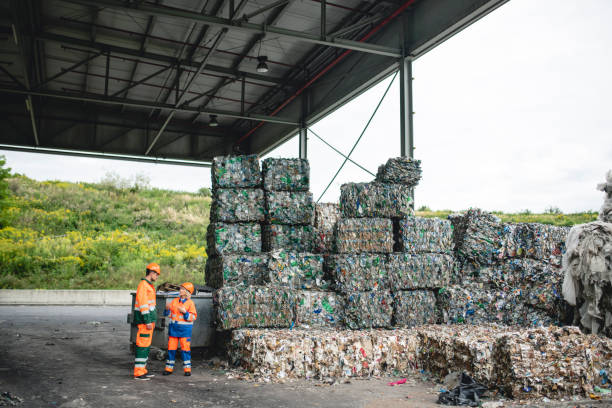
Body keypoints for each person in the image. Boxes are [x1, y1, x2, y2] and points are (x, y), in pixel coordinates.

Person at [133, 262, 160, 380]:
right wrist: (148, 321)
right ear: (151, 272)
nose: (157, 277)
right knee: (143, 346)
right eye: (157, 274)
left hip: (148, 321)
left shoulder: (148, 285)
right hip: (145, 322)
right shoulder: (144, 285)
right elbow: (144, 305)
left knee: (146, 346)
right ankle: (139, 373)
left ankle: (142, 370)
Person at [163, 282, 197, 376]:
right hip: (173, 330)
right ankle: (168, 369)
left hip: (184, 331)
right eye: (180, 288)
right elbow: (169, 315)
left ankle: (187, 370)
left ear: (187, 292)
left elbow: (193, 317)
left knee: (185, 350)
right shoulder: (174, 301)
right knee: (171, 349)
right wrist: (166, 310)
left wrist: (185, 312)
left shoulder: (190, 303)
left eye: (182, 289)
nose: (180, 290)